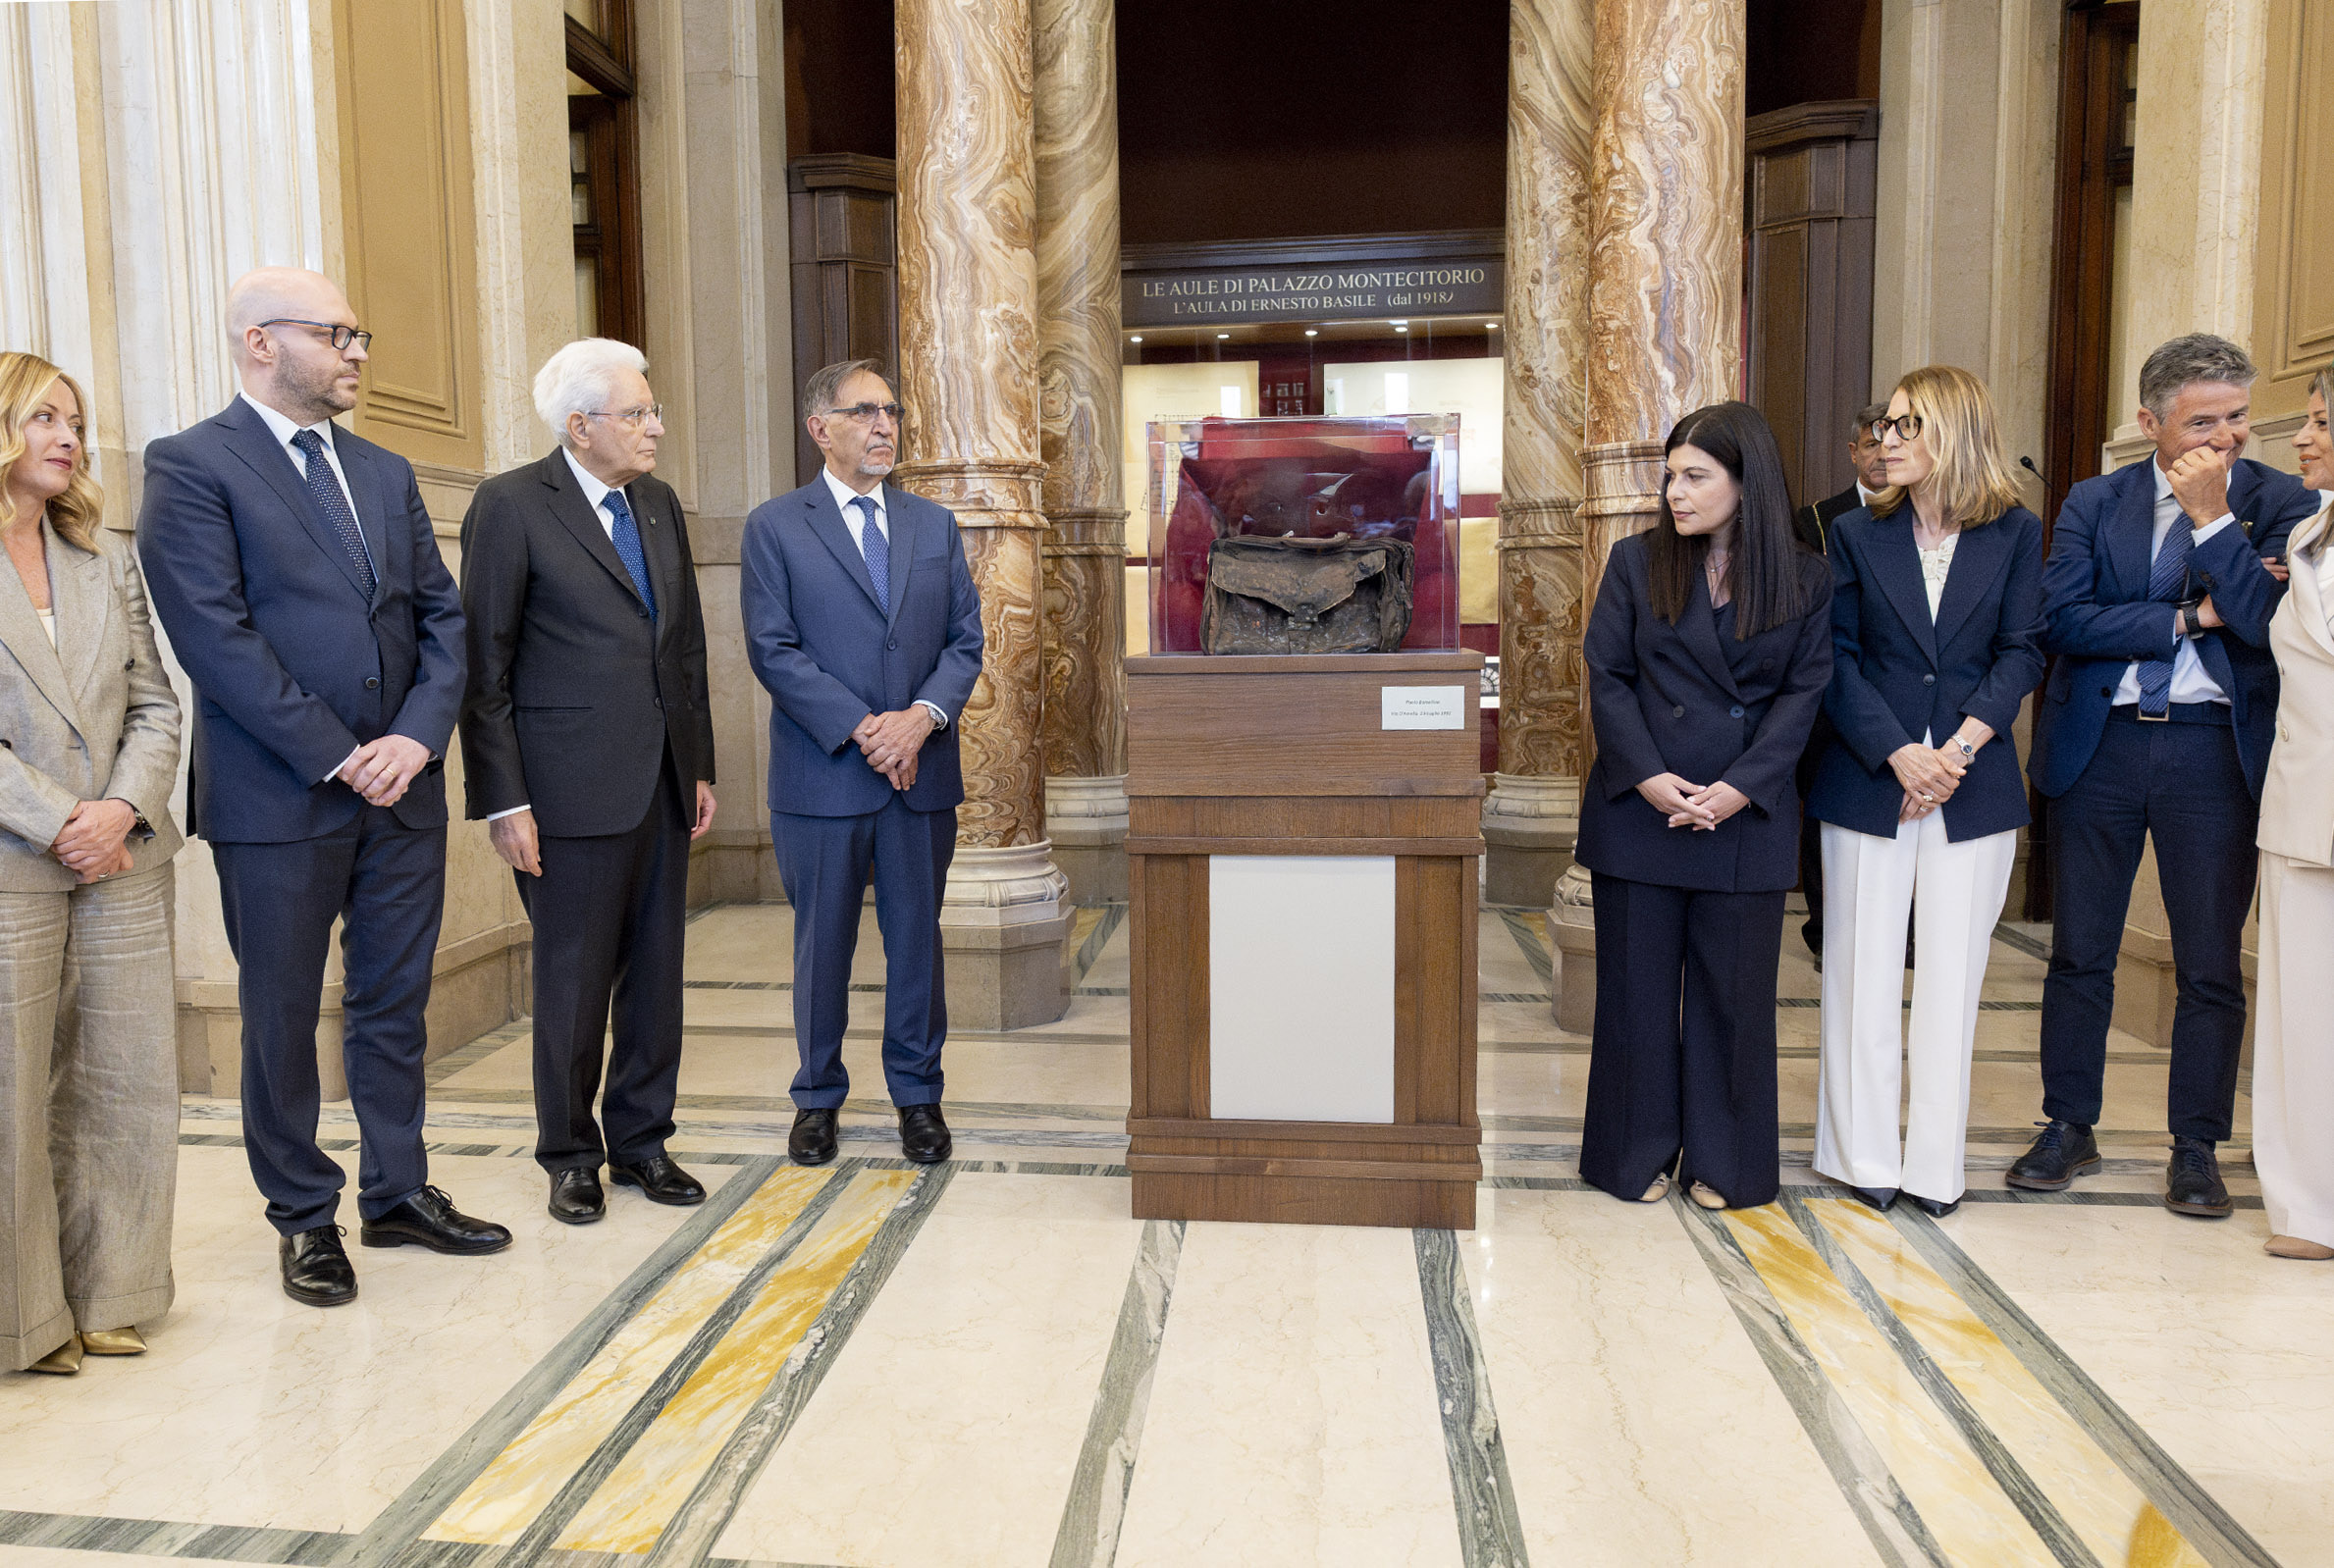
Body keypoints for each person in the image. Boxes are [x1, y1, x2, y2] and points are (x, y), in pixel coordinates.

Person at [137, 267, 507, 1308]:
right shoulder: (192, 464)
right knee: (280, 1011)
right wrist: (341, 751)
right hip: (280, 796)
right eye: (335, 333)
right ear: (260, 342)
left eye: (360, 332)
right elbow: (213, 636)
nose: (356, 351)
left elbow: (443, 618)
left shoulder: (385, 471)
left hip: (403, 791)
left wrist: (415, 738)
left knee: (393, 1002)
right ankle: (303, 1215)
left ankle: (397, 1190)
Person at [2017, 333, 2321, 1215]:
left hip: (2213, 755)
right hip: (2100, 748)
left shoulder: (2283, 501)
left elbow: (2267, 624)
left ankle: (2197, 1145)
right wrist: (2194, 615)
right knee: (2080, 954)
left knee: (2209, 964)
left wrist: (2215, 521)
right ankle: (2068, 1123)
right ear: (2150, 421)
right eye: (2202, 423)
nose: (2225, 439)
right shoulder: (2092, 499)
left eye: (2236, 419)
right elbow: (2064, 620)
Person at [458, 340, 717, 1225]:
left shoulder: (658, 505)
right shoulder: (511, 506)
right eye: (637, 413)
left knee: (656, 975)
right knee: (572, 983)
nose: (654, 427)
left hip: (661, 782)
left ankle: (643, 1141)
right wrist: (504, 799)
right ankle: (571, 1153)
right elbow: (482, 665)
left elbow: (684, 647)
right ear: (580, 425)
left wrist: (701, 765)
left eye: (652, 412)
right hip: (563, 793)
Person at [1575, 401, 1833, 1210]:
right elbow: (1606, 674)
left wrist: (1740, 788)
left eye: (1695, 476)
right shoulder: (1634, 561)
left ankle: (1725, 1163)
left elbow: (1805, 692)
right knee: (1636, 999)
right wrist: (1649, 776)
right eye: (1670, 475)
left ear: (1745, 481)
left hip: (1743, 815)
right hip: (1639, 811)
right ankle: (1634, 1155)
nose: (1674, 492)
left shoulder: (1804, 576)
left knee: (1734, 1002)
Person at [1807, 367, 2045, 1218]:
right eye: (1886, 427)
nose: (1888, 440)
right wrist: (1902, 754)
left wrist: (1956, 752)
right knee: (1861, 972)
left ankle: (1934, 1168)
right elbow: (1835, 659)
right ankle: (1861, 1154)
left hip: (1971, 788)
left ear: (1954, 432)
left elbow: (2022, 650)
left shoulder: (2016, 532)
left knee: (1954, 981)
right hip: (1871, 780)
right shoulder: (1854, 533)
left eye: (1908, 425)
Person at [741, 360, 981, 1168]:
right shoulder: (775, 526)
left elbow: (964, 642)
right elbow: (773, 651)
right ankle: (816, 1099)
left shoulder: (932, 526)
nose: (885, 426)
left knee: (917, 944)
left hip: (920, 776)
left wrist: (919, 721)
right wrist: (864, 730)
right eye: (864, 411)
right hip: (823, 774)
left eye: (892, 411)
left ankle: (919, 1099)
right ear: (820, 428)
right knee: (823, 947)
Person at [0, 354, 184, 1375]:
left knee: (125, 1080)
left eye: (74, 419)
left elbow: (156, 698)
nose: (68, 436)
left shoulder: (100, 553)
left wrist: (118, 809)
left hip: (120, 856)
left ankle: (111, 1290)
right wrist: (63, 815)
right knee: (14, 1091)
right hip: (13, 857)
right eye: (43, 418)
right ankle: (26, 1318)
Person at [2253, 363, 2334, 1260]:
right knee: (2301, 1014)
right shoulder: (2310, 527)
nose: (2301, 437)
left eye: (2317, 421)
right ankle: (2308, 1205)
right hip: (2300, 802)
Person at [1794, 402, 1892, 956]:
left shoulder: (1930, 517)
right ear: (1854, 452)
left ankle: (1895, 932)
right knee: (1823, 814)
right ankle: (1824, 929)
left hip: (1896, 687)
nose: (1882, 453)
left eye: (1890, 440)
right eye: (1870, 443)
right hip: (1831, 690)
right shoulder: (1814, 518)